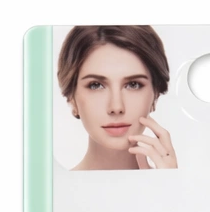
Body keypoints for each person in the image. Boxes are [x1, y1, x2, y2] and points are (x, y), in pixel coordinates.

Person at [58, 26, 178, 171]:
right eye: (96, 85)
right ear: (71, 97)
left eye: (133, 85)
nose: (116, 107)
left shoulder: (179, 184)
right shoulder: (50, 185)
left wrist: (170, 182)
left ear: (156, 95)